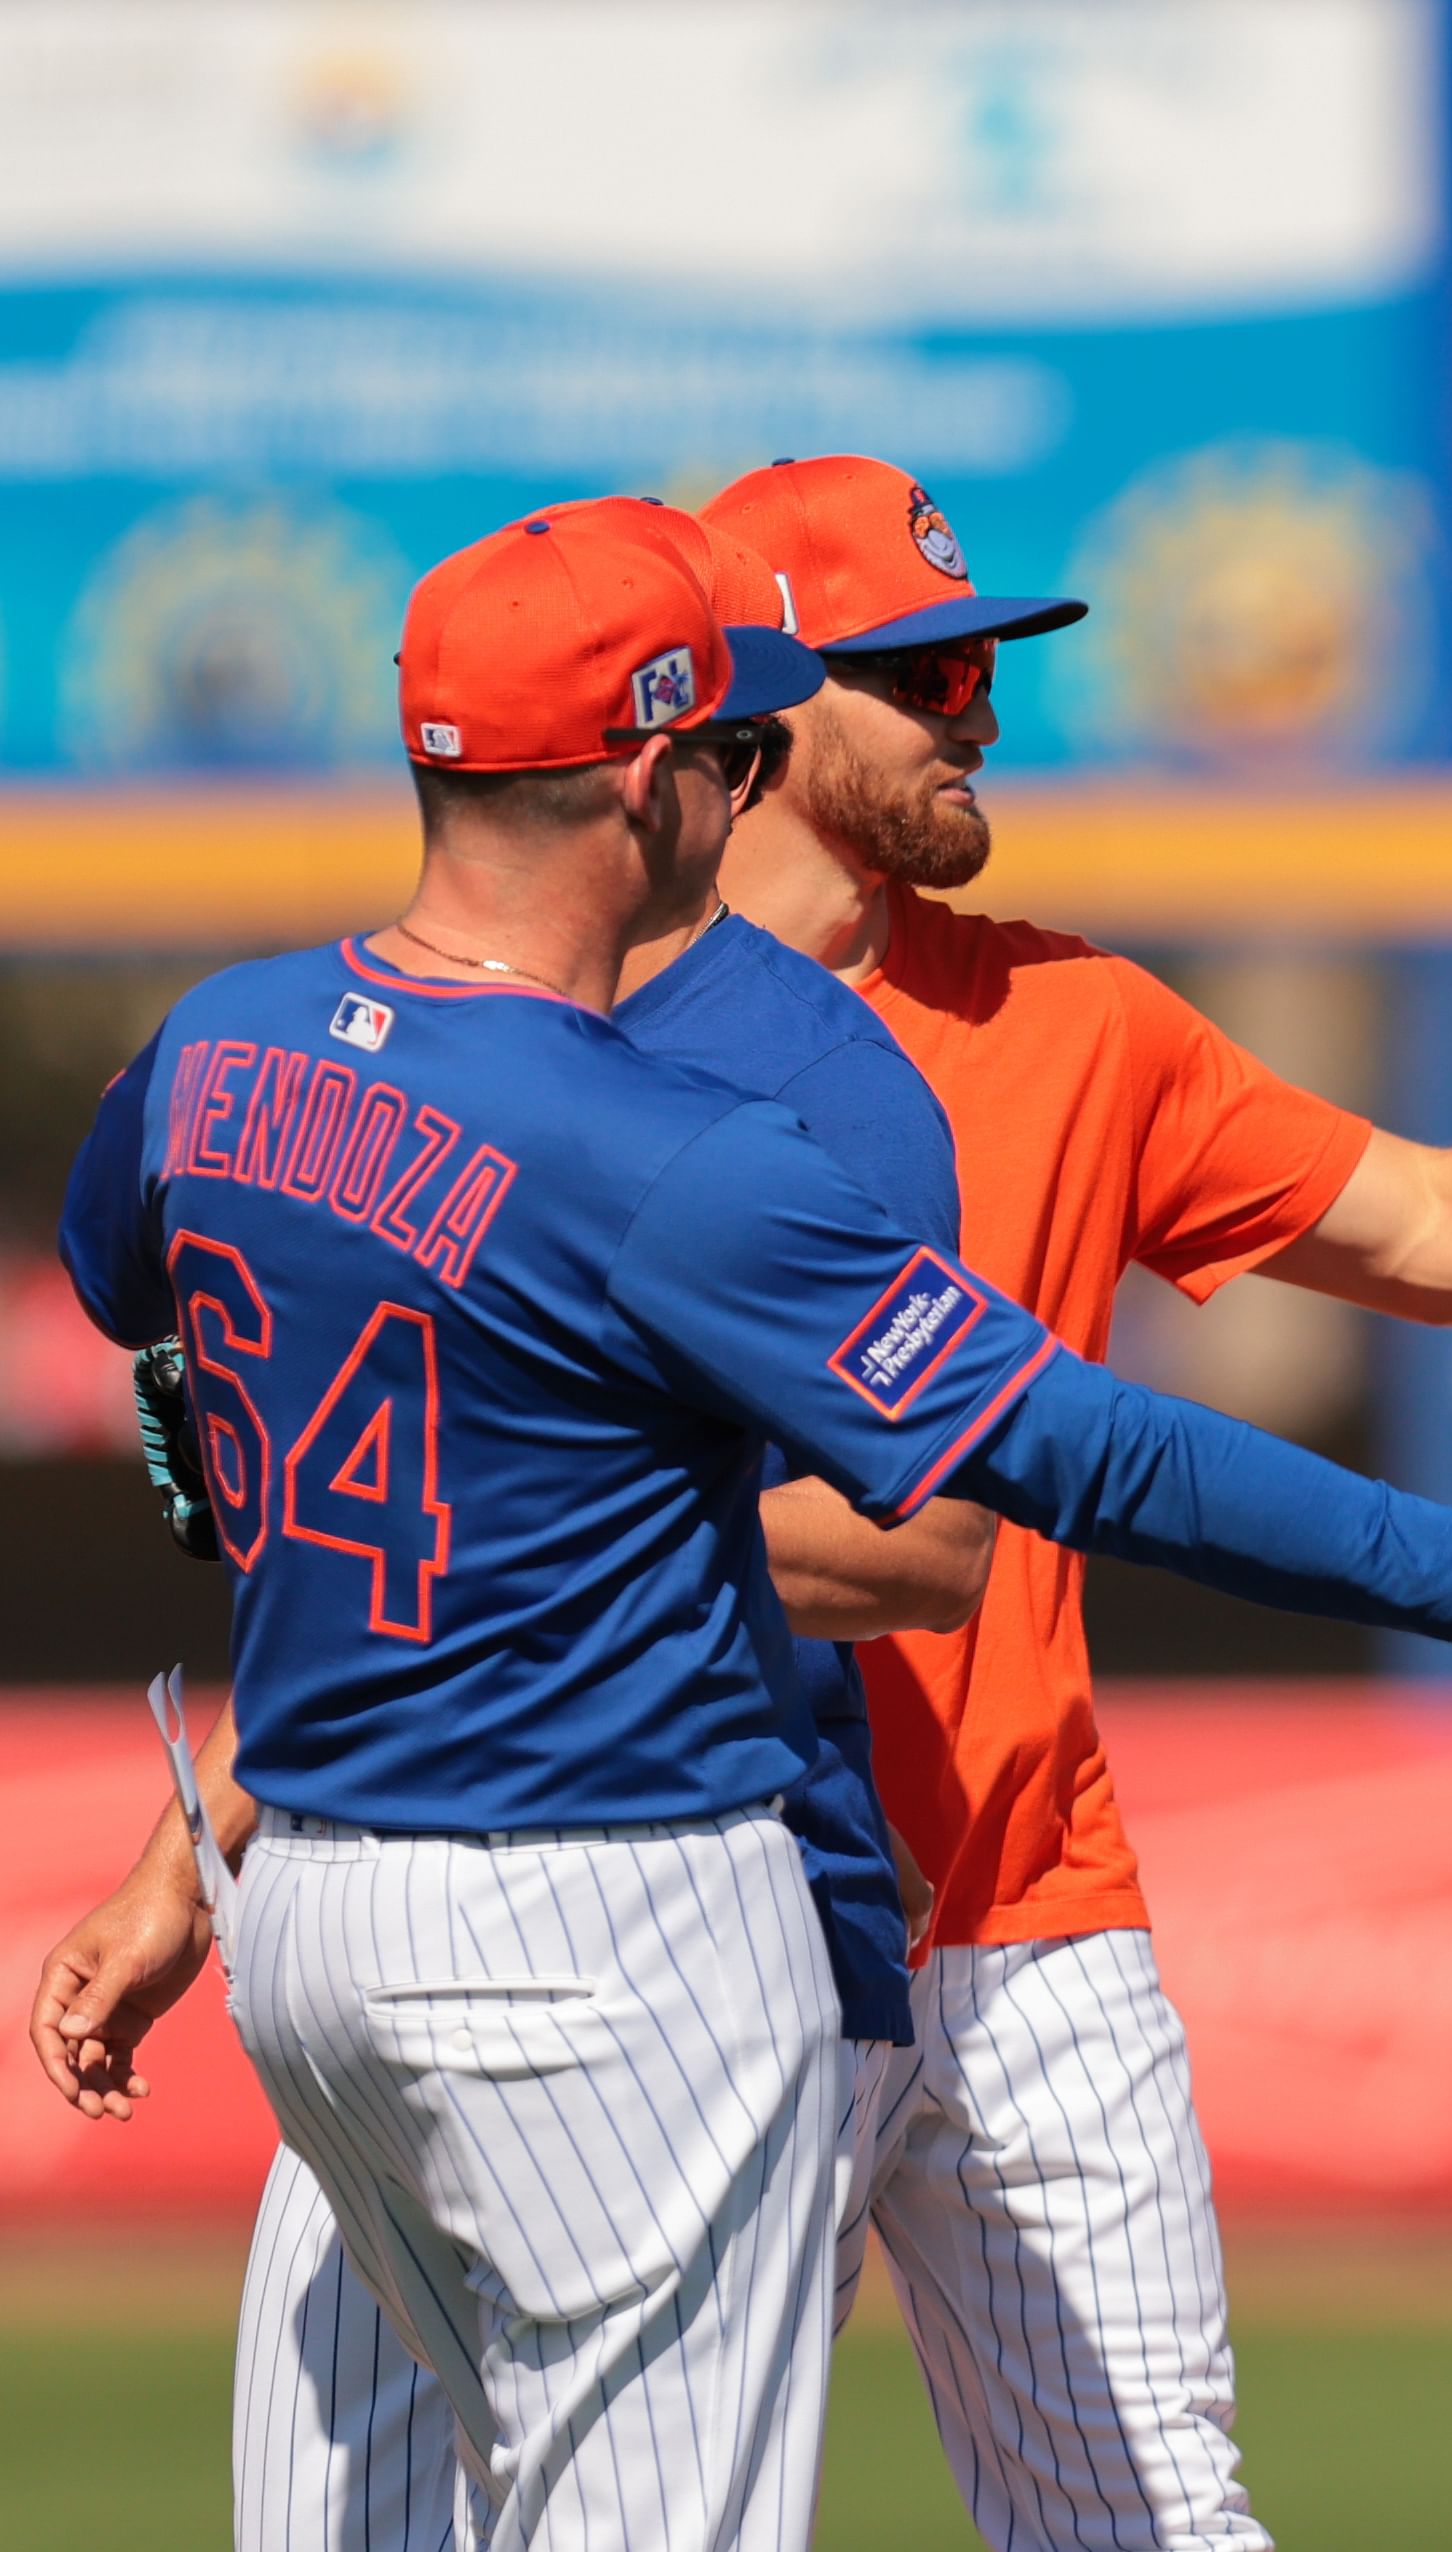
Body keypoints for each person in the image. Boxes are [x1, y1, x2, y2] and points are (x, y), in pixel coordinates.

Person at [52, 502, 1452, 2546]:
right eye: (751, 730)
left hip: (356, 1919)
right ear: (672, 769)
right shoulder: (677, 1147)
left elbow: (164, 1320)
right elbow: (1086, 1459)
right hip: (621, 1907)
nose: (968, 716)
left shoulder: (220, 1047)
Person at [693, 451, 1452, 2544]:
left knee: (1165, 2520)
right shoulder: (578, 1046)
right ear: (758, 705)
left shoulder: (1066, 1015)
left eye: (980, 655)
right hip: (718, 1907)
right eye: (915, 670)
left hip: (1035, 1910)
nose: (978, 701)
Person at [26, 504, 983, 2550]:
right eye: (912, 681)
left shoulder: (836, 1093)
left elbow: (937, 1547)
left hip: (684, 1913)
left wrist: (563, 1517)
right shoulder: (342, 1044)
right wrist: (174, 1870)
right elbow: (348, 1548)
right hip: (367, 1895)